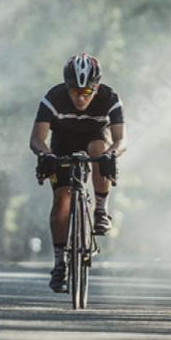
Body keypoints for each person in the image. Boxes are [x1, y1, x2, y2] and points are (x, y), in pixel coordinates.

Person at [29, 53, 127, 292]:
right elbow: (37, 139)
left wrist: (112, 155)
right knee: (62, 197)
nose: (81, 98)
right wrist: (47, 155)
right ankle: (59, 263)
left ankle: (101, 209)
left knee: (100, 150)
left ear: (97, 88)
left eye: (87, 93)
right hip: (63, 142)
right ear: (66, 86)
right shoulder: (53, 97)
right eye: (75, 92)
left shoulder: (109, 98)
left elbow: (121, 140)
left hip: (96, 139)